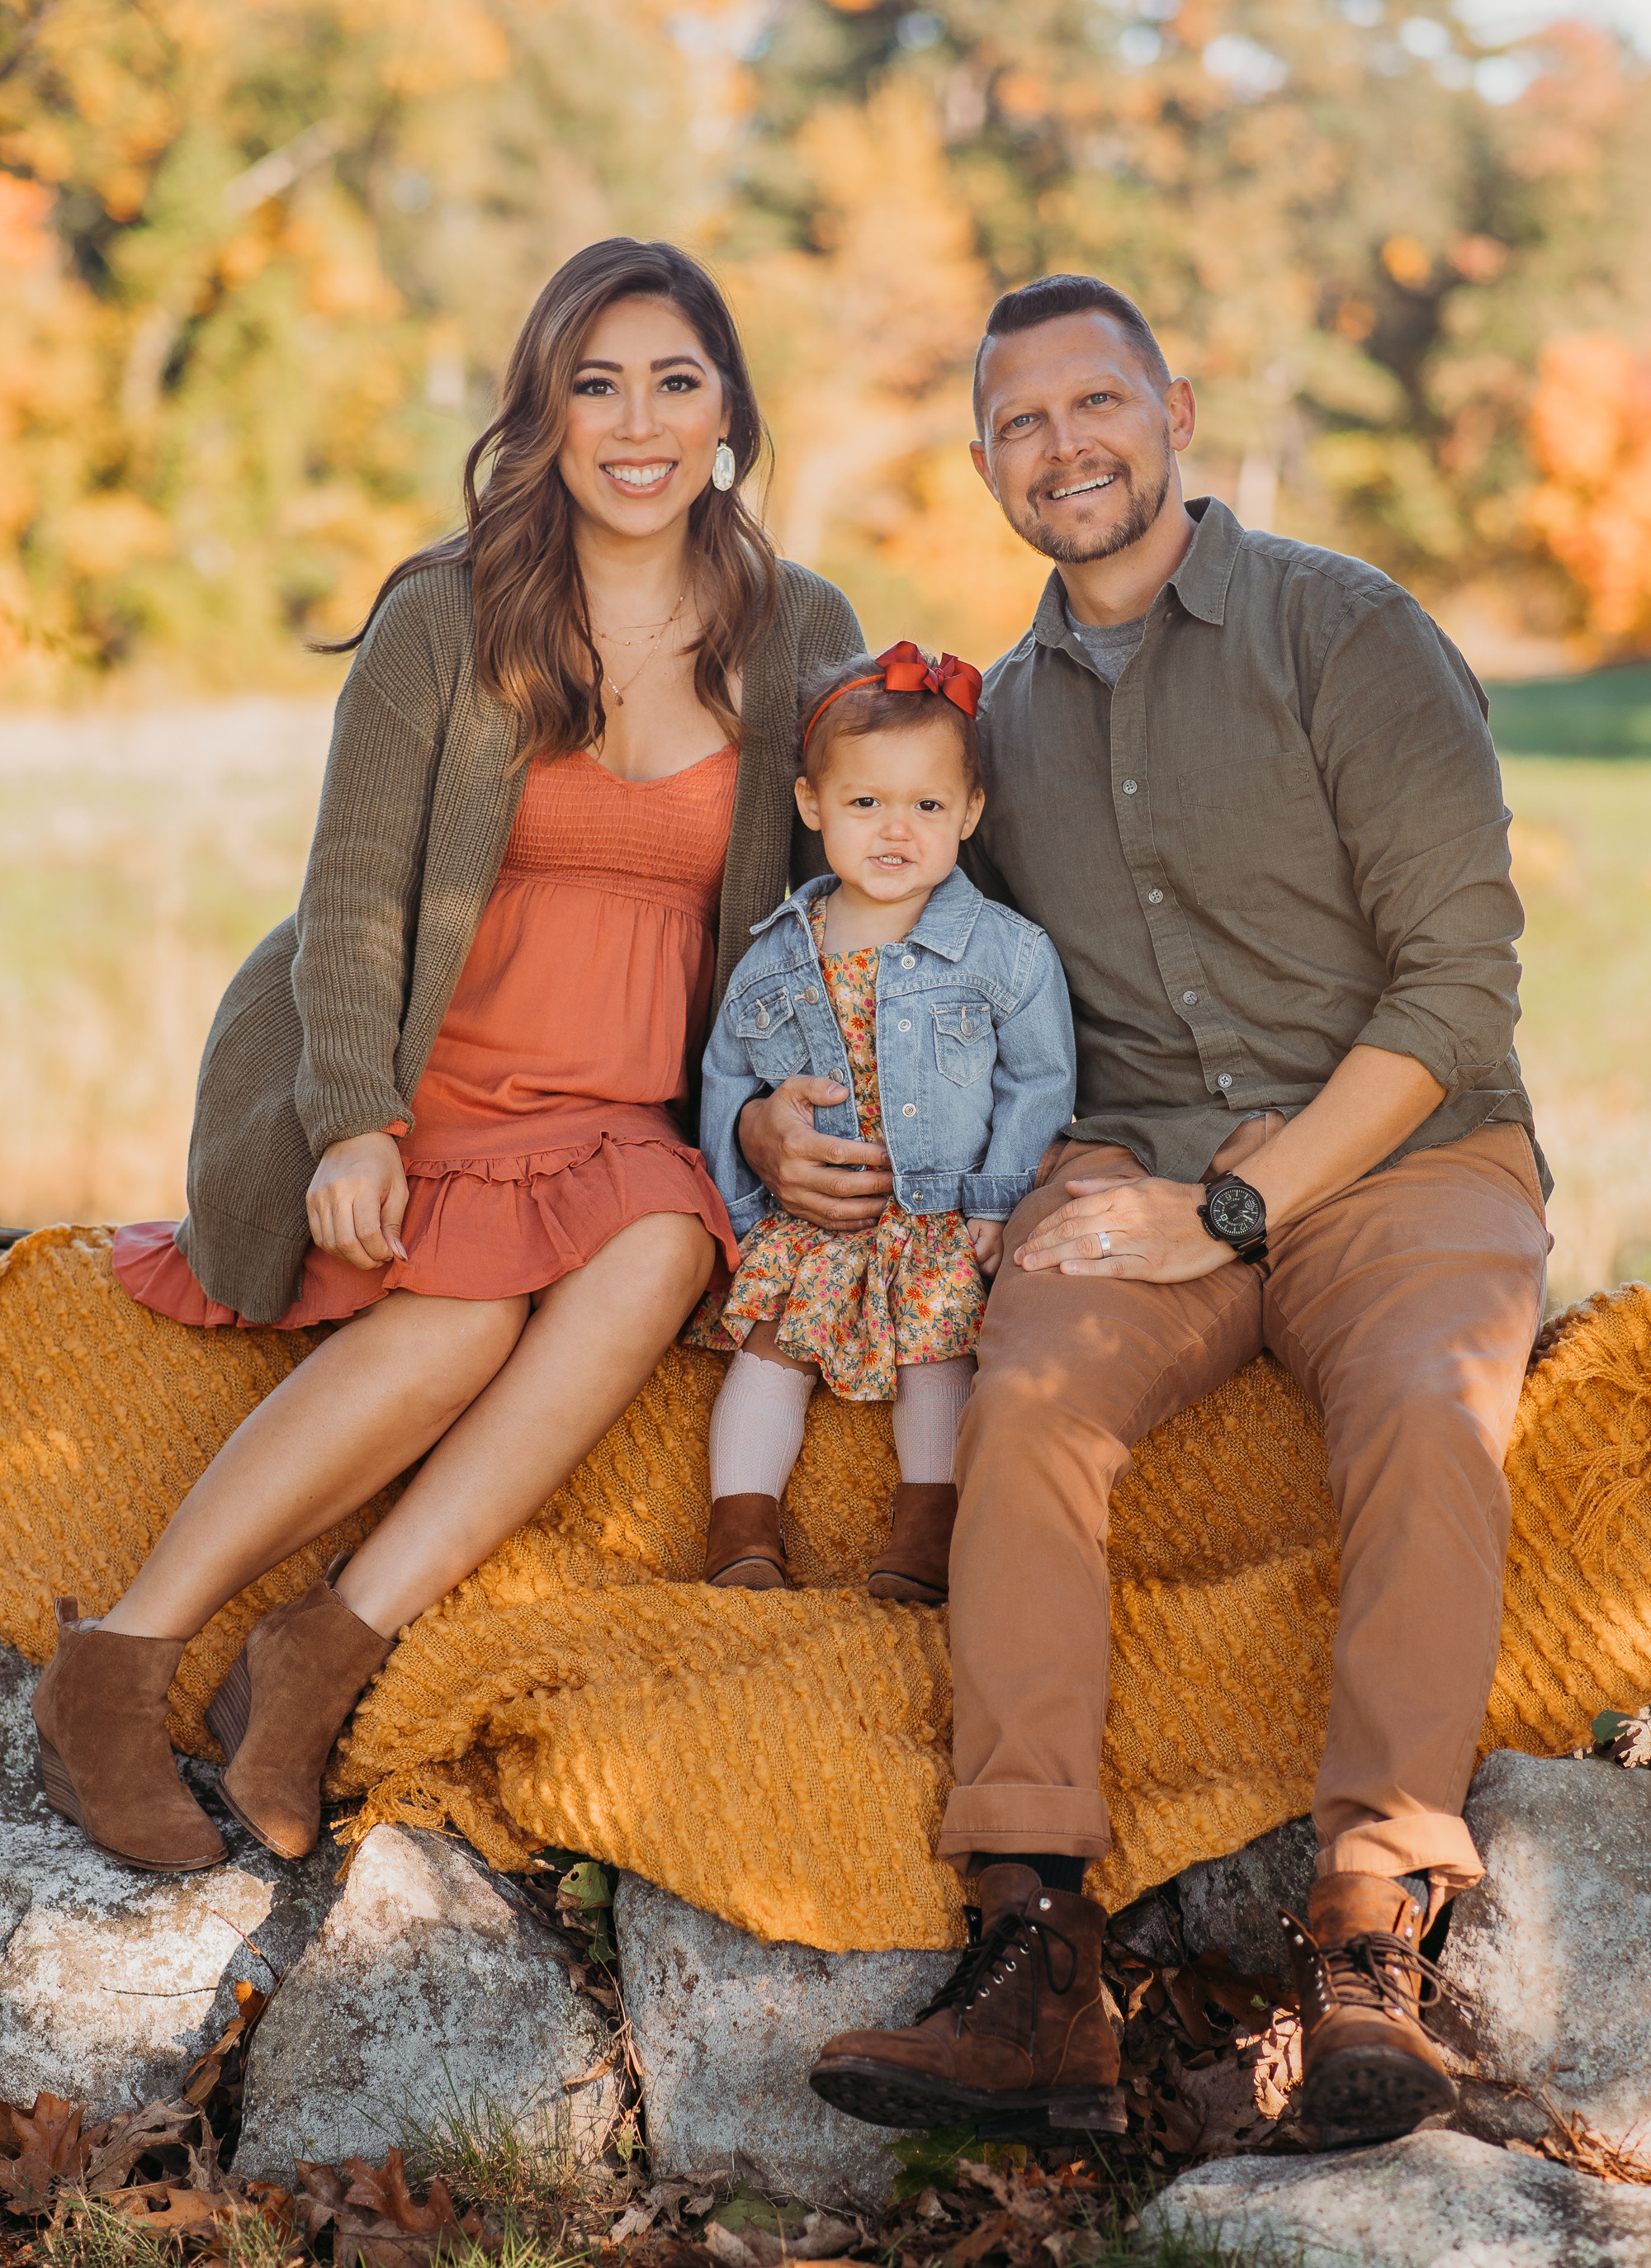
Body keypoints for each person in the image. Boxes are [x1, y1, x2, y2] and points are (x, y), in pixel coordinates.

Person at [740, 273, 1551, 2144]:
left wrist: (1239, 1203)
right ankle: (1030, 1952)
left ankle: (1366, 1934)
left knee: (1431, 1401)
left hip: (1403, 1156)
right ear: (983, 464)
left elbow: (1452, 989)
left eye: (1092, 403)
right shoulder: (991, 725)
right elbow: (894, 936)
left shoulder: (1344, 634)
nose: (1061, 447)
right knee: (1026, 1393)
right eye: (1018, 423)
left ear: (1172, 406)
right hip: (1126, 1163)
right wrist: (775, 1106)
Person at [34, 237, 864, 1879]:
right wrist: (353, 1121)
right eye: (595, 383)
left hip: (621, 1107)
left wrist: (779, 1104)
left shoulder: (796, 630)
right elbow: (347, 896)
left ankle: (321, 1657)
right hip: (432, 1074)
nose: (637, 423)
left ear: (729, 414)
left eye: (675, 383)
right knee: (462, 1313)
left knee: (654, 1243)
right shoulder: (455, 611)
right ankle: (117, 1663)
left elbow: (846, 888)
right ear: (541, 411)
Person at [685, 643, 1076, 1600]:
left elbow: (1039, 1082)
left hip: (940, 1215)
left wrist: (992, 1203)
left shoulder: (1005, 954)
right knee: (770, 1352)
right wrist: (739, 1219)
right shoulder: (775, 954)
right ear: (811, 805)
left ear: (969, 814)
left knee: (936, 1356)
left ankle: (924, 1537)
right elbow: (725, 1076)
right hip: (816, 1219)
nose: (895, 831)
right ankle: (741, 1528)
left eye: (927, 807)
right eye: (865, 804)